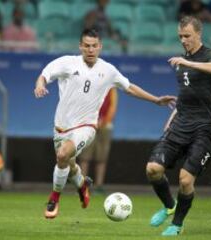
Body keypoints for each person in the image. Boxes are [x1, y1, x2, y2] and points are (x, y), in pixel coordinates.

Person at [34, 28, 176, 219]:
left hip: (86, 127)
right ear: (80, 46)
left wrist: (156, 100)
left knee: (62, 155)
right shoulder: (67, 63)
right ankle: (82, 184)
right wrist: (40, 84)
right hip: (61, 127)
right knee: (69, 164)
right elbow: (45, 74)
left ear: (100, 47)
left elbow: (129, 87)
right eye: (87, 46)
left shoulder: (108, 70)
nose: (90, 50)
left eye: (94, 46)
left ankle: (54, 199)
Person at [145, 16, 211, 236]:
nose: (183, 40)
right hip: (181, 125)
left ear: (199, 34)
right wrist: (172, 117)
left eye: (187, 36)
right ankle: (169, 206)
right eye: (180, 36)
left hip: (205, 129)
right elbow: (186, 96)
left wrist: (189, 63)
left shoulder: (209, 55)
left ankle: (177, 224)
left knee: (185, 179)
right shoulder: (180, 63)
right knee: (153, 169)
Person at [78, 88, 117, 193]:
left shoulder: (111, 88)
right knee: (85, 157)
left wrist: (104, 122)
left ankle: (99, 186)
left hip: (105, 127)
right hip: (88, 125)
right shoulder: (89, 85)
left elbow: (112, 106)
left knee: (101, 158)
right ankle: (82, 186)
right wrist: (90, 121)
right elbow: (83, 104)